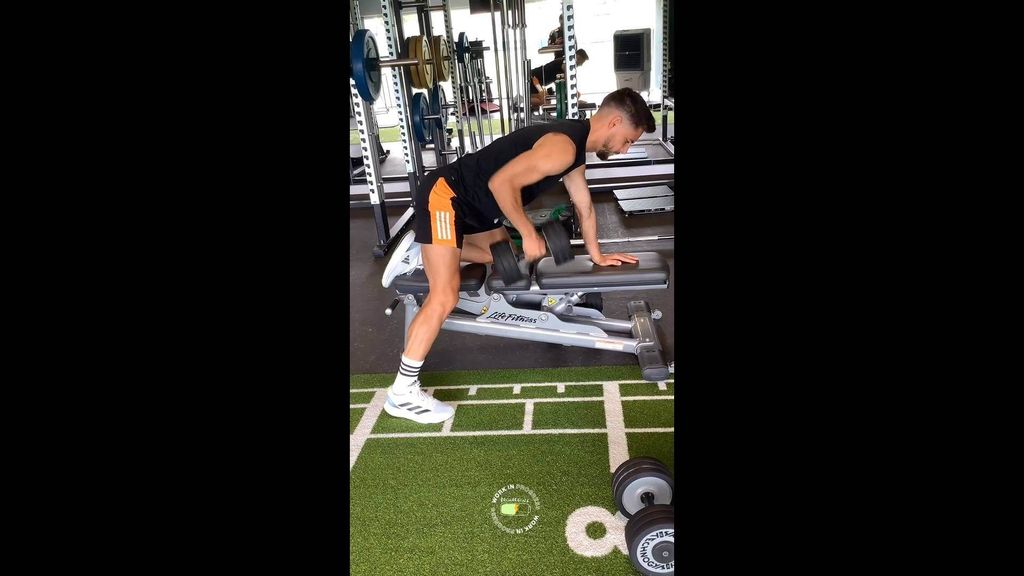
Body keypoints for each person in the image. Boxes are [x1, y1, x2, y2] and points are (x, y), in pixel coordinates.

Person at [379, 88, 657, 424]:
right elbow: (501, 184)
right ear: (614, 122)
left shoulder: (575, 151)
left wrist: (598, 255)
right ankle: (402, 392)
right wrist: (527, 232)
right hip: (447, 196)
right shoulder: (562, 147)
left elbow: (584, 206)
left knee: (503, 261)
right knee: (444, 294)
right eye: (627, 140)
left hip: (477, 210)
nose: (625, 150)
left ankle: (420, 252)